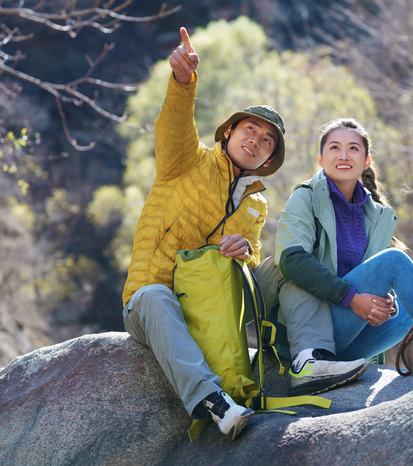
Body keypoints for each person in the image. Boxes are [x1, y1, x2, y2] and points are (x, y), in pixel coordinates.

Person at [121, 27, 287, 440]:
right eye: (250, 129)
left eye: (267, 141)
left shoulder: (256, 203)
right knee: (155, 295)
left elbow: (248, 263)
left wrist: (245, 251)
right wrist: (182, 80)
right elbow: (175, 122)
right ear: (229, 132)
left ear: (268, 159)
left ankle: (303, 361)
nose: (257, 140)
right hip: (151, 304)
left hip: (212, 308)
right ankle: (212, 401)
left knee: (289, 265)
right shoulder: (184, 162)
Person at [254, 118, 413, 397]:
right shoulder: (306, 198)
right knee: (394, 260)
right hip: (304, 329)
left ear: (367, 161)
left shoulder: (376, 214)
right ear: (321, 160)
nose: (344, 155)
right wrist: (352, 298)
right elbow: (292, 260)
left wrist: (386, 305)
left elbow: (368, 279)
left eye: (353, 149)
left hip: (349, 334)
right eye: (334, 148)